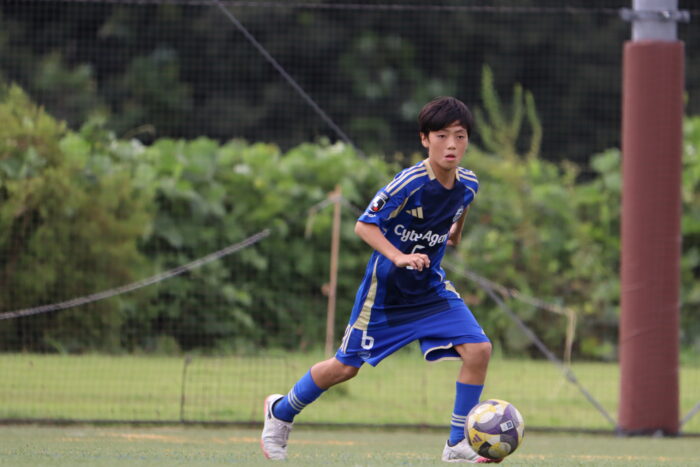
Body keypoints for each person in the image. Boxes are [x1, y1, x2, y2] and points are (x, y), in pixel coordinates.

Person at [261, 96, 496, 463]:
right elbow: (364, 225)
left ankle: (456, 443)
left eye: (460, 136)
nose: (451, 145)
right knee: (345, 367)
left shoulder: (468, 183)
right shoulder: (410, 183)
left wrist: (454, 233)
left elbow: (461, 205)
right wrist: (399, 256)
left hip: (430, 289)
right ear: (424, 139)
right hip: (385, 295)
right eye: (441, 136)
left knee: (479, 349)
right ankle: (280, 412)